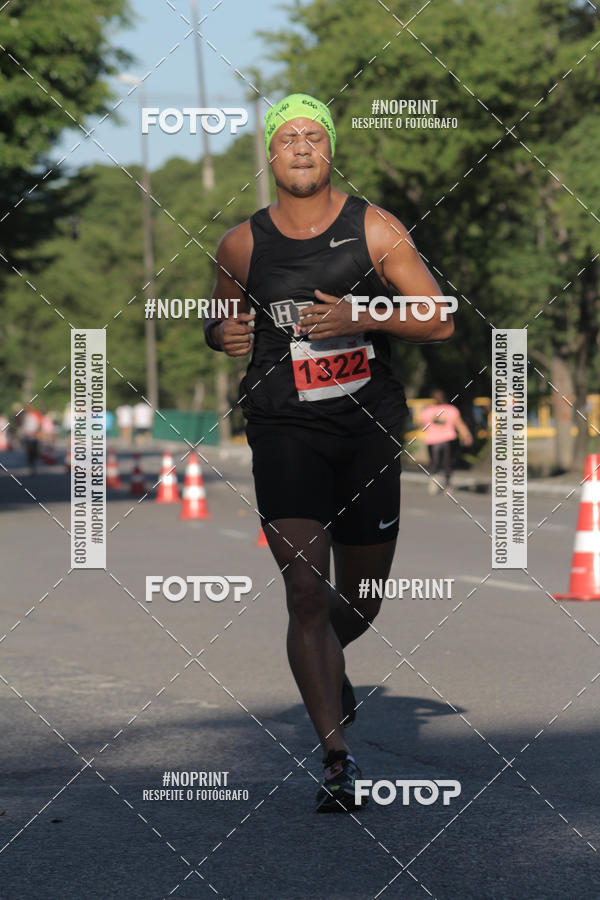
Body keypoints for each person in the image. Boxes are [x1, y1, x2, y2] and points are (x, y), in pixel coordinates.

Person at [204, 93, 454, 813]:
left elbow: (436, 318)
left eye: (314, 136)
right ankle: (337, 758)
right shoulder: (241, 244)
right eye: (289, 138)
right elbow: (221, 318)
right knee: (306, 590)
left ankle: (332, 659)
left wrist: (361, 312)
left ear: (331, 148)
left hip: (366, 429)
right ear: (271, 154)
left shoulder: (374, 228)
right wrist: (224, 336)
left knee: (363, 600)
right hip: (284, 427)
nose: (303, 148)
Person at [418, 389, 473, 493]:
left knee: (441, 462)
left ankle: (442, 483)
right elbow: (422, 424)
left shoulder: (442, 410)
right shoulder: (435, 410)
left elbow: (459, 424)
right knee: (440, 462)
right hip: (438, 439)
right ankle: (439, 483)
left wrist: (467, 435)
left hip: (442, 439)